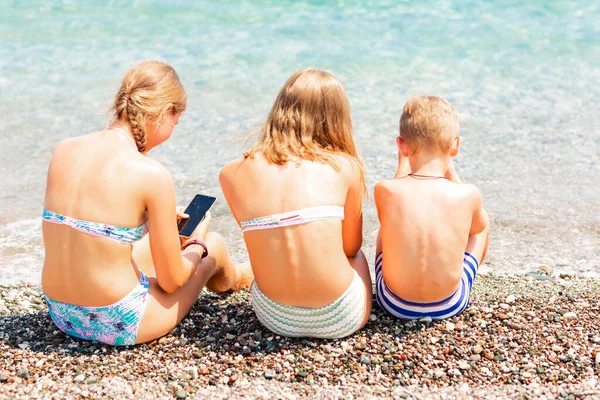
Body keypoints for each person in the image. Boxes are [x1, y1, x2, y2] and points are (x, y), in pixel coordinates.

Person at [41, 61, 253, 346]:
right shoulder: (151, 174)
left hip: (62, 312)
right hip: (117, 320)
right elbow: (171, 282)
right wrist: (197, 243)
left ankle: (233, 270)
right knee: (212, 245)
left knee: (163, 244)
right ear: (167, 111)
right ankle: (237, 276)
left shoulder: (64, 149)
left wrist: (155, 221)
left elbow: (92, 230)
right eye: (174, 123)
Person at [219, 69, 372, 339]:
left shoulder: (231, 173)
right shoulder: (345, 167)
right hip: (340, 316)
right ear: (336, 119)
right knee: (356, 256)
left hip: (273, 316)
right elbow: (350, 248)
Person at [374, 94, 490, 320]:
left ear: (401, 146)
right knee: (482, 223)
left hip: (393, 303)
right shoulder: (467, 194)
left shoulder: (384, 189)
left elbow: (395, 208)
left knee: (387, 224)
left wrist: (402, 165)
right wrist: (453, 175)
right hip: (448, 304)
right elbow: (476, 228)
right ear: (455, 145)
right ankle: (458, 277)